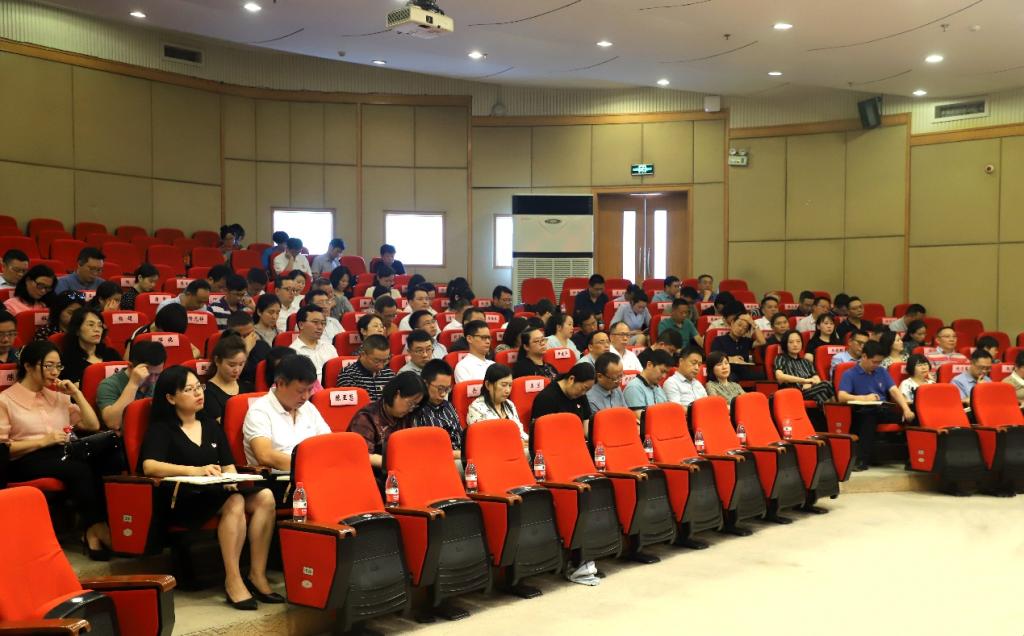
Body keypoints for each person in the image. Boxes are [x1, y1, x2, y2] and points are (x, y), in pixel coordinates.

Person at [139, 366, 279, 609]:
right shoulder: (162, 428)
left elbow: (227, 465)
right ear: (171, 398)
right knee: (235, 501)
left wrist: (231, 480)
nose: (198, 393)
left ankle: (257, 574)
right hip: (183, 498)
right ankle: (233, 580)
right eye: (189, 389)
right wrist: (194, 470)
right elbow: (149, 466)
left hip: (216, 491)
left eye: (199, 387)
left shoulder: (211, 425)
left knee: (265, 497)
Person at [0, 340, 118, 560]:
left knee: (107, 460)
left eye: (58, 366)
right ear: (28, 366)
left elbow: (92, 425)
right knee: (77, 469)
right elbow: (3, 449)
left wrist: (77, 393)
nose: (55, 372)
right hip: (23, 460)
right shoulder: (5, 400)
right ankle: (95, 528)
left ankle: (98, 527)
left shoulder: (58, 396)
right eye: (48, 366)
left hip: (60, 454)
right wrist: (42, 441)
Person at [242, 355, 330, 473]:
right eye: (300, 391)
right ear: (280, 384)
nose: (305, 397)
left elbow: (328, 443)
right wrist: (309, 466)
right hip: (279, 480)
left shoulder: (308, 407)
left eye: (310, 390)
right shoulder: (259, 411)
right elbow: (264, 455)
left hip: (315, 473)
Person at [837, 340, 916, 471]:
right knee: (869, 417)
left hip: (883, 409)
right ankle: (861, 461)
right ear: (864, 356)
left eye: (879, 362)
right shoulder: (850, 373)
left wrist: (906, 409)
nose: (877, 365)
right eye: (874, 362)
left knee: (915, 415)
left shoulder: (881, 371)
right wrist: (863, 398)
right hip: (862, 410)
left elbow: (894, 391)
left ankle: (914, 459)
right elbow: (842, 396)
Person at [349, 372, 424, 472]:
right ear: (397, 394)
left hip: (401, 470)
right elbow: (362, 455)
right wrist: (395, 463)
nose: (411, 409)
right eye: (410, 403)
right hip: (373, 473)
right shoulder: (366, 417)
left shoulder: (408, 415)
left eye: (415, 405)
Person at [97, 340, 166, 431]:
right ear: (130, 366)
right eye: (148, 374)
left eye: (157, 374)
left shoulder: (161, 382)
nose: (153, 380)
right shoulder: (108, 385)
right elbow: (114, 423)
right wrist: (133, 383)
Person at [773, 330, 836, 408]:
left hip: (809, 391)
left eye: (798, 341)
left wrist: (810, 384)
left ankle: (829, 413)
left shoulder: (806, 362)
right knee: (826, 384)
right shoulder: (781, 358)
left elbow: (817, 379)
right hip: (793, 392)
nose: (795, 345)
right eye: (791, 342)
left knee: (821, 394)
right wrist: (804, 381)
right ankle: (838, 410)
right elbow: (779, 377)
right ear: (785, 344)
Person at [59, 307, 121, 385]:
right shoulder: (67, 360)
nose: (97, 329)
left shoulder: (112, 354)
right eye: (91, 325)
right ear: (77, 330)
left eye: (100, 325)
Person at [202, 335, 255, 424]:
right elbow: (223, 425)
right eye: (231, 365)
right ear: (217, 361)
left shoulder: (248, 387)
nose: (237, 370)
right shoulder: (207, 392)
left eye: (241, 364)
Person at [414, 359, 462, 456]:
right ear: (425, 384)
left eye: (447, 389)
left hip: (460, 455)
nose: (443, 394)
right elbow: (424, 450)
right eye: (440, 389)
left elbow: (460, 435)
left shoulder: (448, 405)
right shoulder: (416, 410)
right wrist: (461, 454)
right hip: (437, 458)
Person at [467, 364, 524, 438]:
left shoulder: (509, 404)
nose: (508, 390)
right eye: (503, 385)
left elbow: (520, 432)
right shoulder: (476, 408)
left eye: (510, 385)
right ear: (488, 385)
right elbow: (484, 439)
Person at [127, 303, 202, 359]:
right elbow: (127, 359)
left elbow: (196, 351)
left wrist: (181, 361)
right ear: (161, 325)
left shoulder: (173, 332)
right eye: (169, 333)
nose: (172, 336)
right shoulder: (141, 334)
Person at [530, 362, 595, 427]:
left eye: (587, 390)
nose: (584, 393)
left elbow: (586, 419)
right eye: (584, 388)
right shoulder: (546, 398)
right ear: (571, 379)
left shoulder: (580, 394)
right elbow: (541, 429)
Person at [288, 304, 338, 384]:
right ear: (301, 325)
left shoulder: (329, 347)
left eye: (323, 323)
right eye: (315, 322)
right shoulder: (293, 352)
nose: (320, 327)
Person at [336, 334, 394, 400]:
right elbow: (353, 405)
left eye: (385, 361)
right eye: (377, 361)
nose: (381, 366)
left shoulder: (389, 374)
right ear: (363, 354)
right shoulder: (348, 376)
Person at [711, 312, 766, 381]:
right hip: (727, 371)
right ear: (732, 323)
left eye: (744, 328)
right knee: (732, 377)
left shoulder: (746, 341)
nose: (740, 329)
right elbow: (714, 358)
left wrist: (753, 323)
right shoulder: (719, 340)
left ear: (746, 332)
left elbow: (762, 342)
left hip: (743, 372)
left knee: (764, 375)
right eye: (739, 325)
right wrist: (731, 359)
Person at [623, 348, 671, 415]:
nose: (664, 376)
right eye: (662, 371)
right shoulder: (634, 388)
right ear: (649, 365)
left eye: (666, 373)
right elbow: (641, 418)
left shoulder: (658, 387)